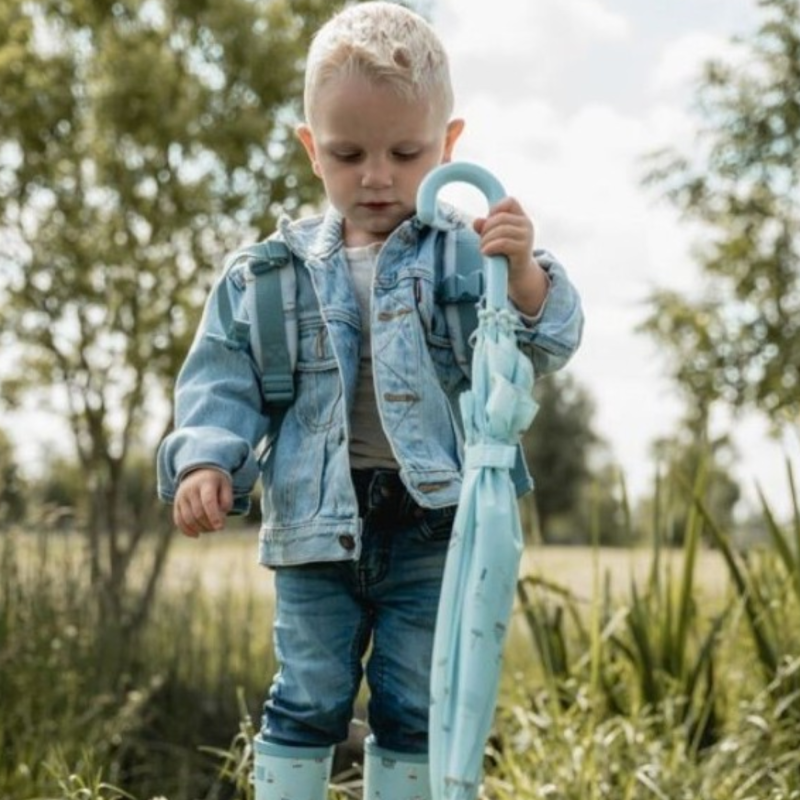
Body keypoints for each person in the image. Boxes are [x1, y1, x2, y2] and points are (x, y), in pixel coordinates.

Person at [157, 2, 583, 798]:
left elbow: (549, 338)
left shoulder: (467, 252)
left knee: (416, 700)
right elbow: (222, 378)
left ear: (449, 145)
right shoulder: (269, 275)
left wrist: (523, 272)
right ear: (312, 149)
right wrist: (205, 462)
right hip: (317, 527)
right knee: (308, 694)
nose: (379, 175)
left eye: (406, 151)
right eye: (350, 154)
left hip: (434, 526)